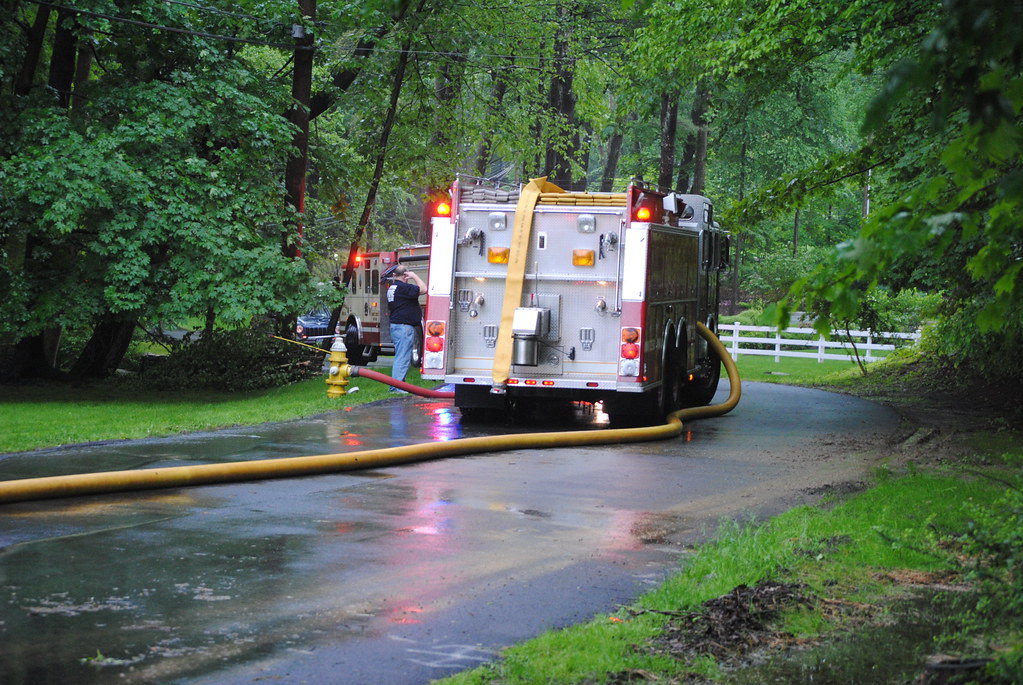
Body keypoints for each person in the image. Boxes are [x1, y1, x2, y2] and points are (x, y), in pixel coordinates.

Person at [386, 264, 426, 392]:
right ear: (405, 276)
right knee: (403, 357)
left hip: (397, 326)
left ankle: (397, 384)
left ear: (394, 275)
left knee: (400, 355)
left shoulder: (393, 287)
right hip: (403, 327)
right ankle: (397, 387)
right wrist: (414, 276)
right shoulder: (403, 287)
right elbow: (423, 289)